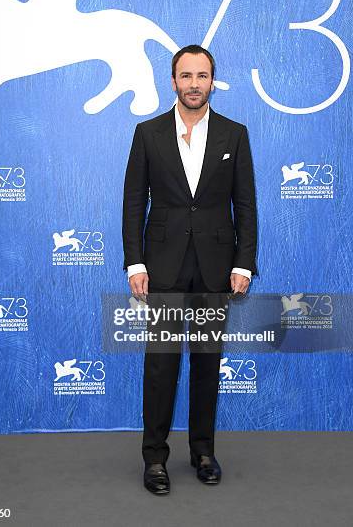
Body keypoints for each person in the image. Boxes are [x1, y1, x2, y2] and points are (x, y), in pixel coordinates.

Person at [122, 44, 258, 494]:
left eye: (202, 76)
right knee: (160, 366)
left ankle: (203, 451)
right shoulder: (148, 133)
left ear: (212, 81)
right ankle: (154, 459)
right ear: (173, 80)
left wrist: (244, 264)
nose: (194, 84)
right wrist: (135, 261)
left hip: (216, 266)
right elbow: (133, 203)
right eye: (186, 76)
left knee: (206, 363)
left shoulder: (234, 135)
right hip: (162, 265)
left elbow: (246, 205)